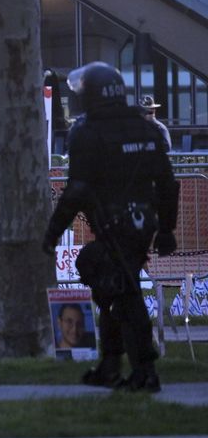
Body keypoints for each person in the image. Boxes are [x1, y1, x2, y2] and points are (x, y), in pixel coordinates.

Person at [43, 62, 178, 393]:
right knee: (115, 288)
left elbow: (76, 190)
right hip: (143, 223)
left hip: (114, 224)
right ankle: (110, 364)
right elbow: (167, 184)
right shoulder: (147, 130)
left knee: (122, 292)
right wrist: (166, 230)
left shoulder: (87, 133)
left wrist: (52, 232)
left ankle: (144, 369)